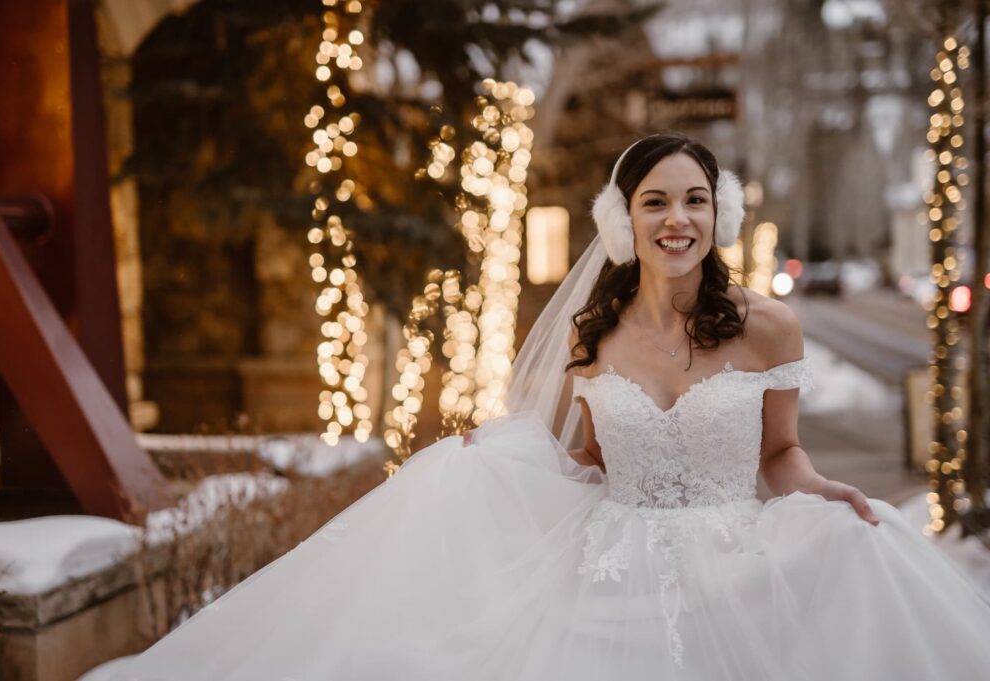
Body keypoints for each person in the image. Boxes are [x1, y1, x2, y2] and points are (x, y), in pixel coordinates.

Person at [112, 133, 990, 681]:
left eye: (694, 200)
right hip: (612, 572)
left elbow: (780, 454)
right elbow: (591, 465)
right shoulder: (593, 334)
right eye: (655, 201)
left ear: (716, 215)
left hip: (736, 564)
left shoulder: (770, 327)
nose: (676, 218)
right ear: (624, 219)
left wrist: (821, 490)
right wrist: (490, 465)